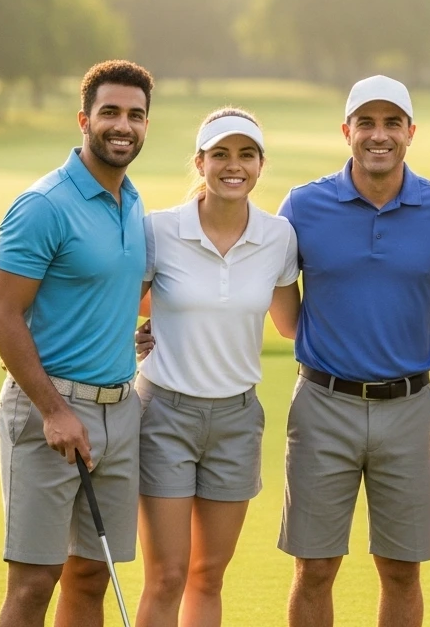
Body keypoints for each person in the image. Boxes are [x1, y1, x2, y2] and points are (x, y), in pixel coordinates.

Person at [278, 75, 430, 627]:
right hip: (322, 404)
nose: (378, 135)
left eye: (391, 123)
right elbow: (283, 315)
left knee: (402, 570)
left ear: (410, 132)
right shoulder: (303, 205)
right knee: (314, 568)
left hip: (409, 409)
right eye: (366, 123)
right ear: (347, 131)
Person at [0, 59, 154, 627]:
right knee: (35, 581)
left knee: (91, 575)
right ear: (84, 119)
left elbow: (102, 291)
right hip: (48, 415)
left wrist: (129, 334)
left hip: (119, 410)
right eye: (110, 112)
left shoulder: (132, 201)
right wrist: (54, 411)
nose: (122, 125)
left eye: (135, 115)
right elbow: (3, 318)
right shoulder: (43, 205)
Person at [132, 108, 301, 627]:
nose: (234, 166)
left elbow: (291, 323)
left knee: (208, 575)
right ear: (200, 162)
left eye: (246, 155)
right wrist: (143, 332)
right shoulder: (158, 230)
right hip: (165, 415)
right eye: (220, 155)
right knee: (166, 576)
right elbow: (122, 304)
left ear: (260, 164)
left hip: (236, 421)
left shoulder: (278, 237)